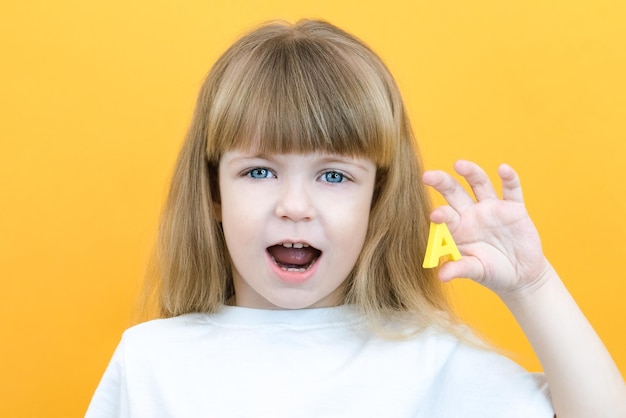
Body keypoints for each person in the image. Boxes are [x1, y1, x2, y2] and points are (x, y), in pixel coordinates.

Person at [86, 19, 626, 417]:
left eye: (334, 176)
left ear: (378, 200)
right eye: (258, 172)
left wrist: (532, 285)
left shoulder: (432, 360)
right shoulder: (152, 360)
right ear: (213, 194)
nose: (294, 206)